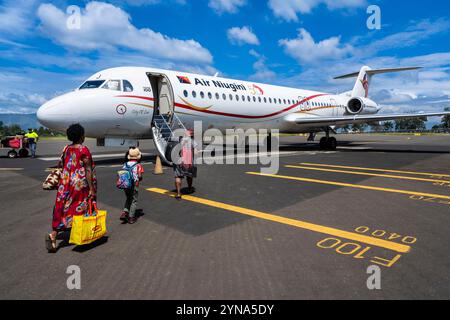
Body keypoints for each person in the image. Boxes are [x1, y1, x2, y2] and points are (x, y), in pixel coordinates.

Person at [45, 124, 96, 253]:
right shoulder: (83, 150)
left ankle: (53, 235)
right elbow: (88, 170)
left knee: (61, 207)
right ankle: (80, 236)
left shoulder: (66, 149)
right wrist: (91, 188)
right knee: (79, 208)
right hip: (78, 184)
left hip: (64, 182)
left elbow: (61, 164)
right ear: (81, 136)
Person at [120, 147, 144, 224]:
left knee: (128, 198)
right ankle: (131, 217)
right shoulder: (138, 165)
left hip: (125, 184)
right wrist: (140, 178)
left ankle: (125, 212)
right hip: (134, 184)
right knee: (134, 200)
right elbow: (139, 176)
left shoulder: (125, 164)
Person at [173, 129, 198, 200]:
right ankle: (189, 188)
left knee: (178, 176)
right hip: (189, 162)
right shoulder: (192, 141)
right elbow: (196, 153)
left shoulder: (178, 139)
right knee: (189, 175)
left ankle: (178, 193)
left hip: (178, 161)